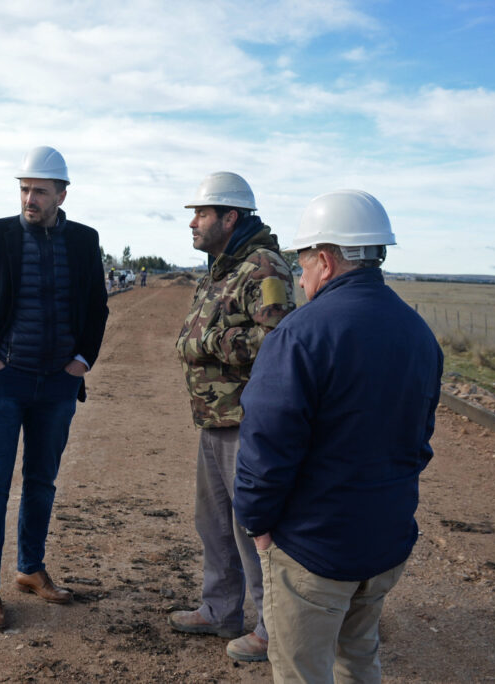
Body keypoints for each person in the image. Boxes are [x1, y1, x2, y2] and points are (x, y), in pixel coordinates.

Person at [233, 190, 443, 682]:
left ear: (324, 261)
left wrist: (258, 524)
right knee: (359, 658)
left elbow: (266, 448)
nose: (300, 278)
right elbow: (420, 439)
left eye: (302, 265)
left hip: (313, 548)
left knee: (303, 670)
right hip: (385, 540)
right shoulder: (418, 333)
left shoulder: (300, 334)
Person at [0, 146, 109, 630]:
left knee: (41, 483)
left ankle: (30, 568)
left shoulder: (84, 241)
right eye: (24, 189)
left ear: (62, 194)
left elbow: (97, 306)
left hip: (59, 385)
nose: (30, 198)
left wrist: (83, 360)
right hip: (4, 382)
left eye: (40, 190)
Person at [172, 172, 296, 662]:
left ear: (231, 217)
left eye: (201, 214)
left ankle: (272, 630)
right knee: (214, 525)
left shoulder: (263, 268)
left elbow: (279, 341)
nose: (194, 224)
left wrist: (207, 343)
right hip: (214, 418)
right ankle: (220, 610)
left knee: (253, 530)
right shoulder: (222, 265)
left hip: (247, 422)